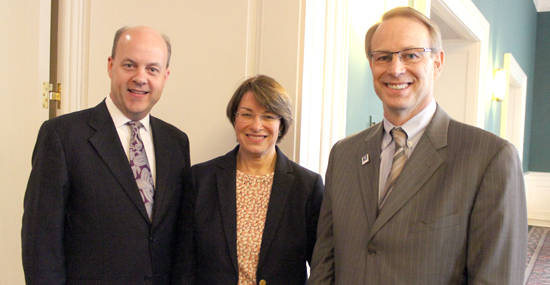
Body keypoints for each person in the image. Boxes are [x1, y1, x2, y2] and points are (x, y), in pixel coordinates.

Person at [308, 6, 527, 284]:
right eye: (383, 57)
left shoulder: (490, 158)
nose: (396, 69)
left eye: (411, 55)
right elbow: (326, 260)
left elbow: (496, 278)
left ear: (437, 63)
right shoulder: (344, 154)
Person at [21, 26, 191, 284]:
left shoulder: (176, 143)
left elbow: (180, 240)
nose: (140, 78)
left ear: (165, 76)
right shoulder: (62, 137)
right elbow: (40, 243)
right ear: (111, 66)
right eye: (130, 65)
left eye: (152, 69)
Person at [172, 75, 323, 284]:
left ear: (282, 123)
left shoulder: (307, 187)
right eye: (247, 114)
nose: (256, 125)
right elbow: (184, 267)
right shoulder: (200, 180)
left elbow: (323, 267)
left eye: (268, 116)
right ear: (234, 119)